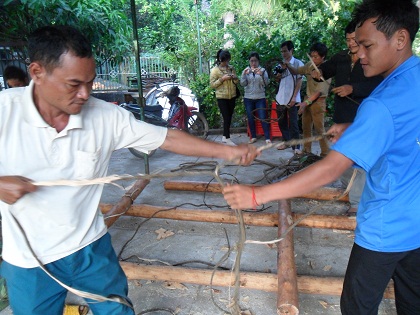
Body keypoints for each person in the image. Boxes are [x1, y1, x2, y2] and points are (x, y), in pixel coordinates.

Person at [0, 25, 258, 315]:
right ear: (36, 72)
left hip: (89, 248)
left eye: (90, 82)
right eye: (74, 84)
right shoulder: (4, 112)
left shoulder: (105, 116)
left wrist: (229, 151)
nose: (86, 94)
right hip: (27, 260)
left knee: (117, 310)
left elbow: (168, 137)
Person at [224, 0, 420, 313]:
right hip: (417, 226)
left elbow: (329, 170)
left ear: (400, 39)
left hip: (387, 229)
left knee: (356, 307)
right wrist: (357, 132)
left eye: (366, 46)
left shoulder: (381, 104)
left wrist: (256, 194)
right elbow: (407, 137)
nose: (359, 55)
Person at [312, 21, 383, 216]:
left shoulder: (372, 57)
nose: (351, 43)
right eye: (348, 39)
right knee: (341, 153)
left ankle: (357, 201)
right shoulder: (341, 57)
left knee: (359, 158)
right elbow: (324, 71)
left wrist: (353, 89)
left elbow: (379, 85)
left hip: (361, 115)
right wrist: (318, 74)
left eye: (355, 39)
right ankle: (347, 190)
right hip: (342, 113)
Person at [285, 43, 331, 157]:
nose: (314, 59)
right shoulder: (310, 65)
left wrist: (305, 103)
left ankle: (325, 153)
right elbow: (297, 71)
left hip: (318, 101)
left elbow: (318, 92)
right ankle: (306, 150)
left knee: (320, 129)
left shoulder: (327, 70)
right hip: (307, 99)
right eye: (312, 56)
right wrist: (288, 65)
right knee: (306, 127)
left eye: (316, 57)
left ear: (323, 57)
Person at [274, 41, 304, 154]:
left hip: (293, 98)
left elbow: (299, 81)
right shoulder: (279, 65)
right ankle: (287, 141)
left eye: (285, 51)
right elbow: (276, 79)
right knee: (281, 122)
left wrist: (294, 97)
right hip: (281, 97)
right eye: (282, 51)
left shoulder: (298, 63)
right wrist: (278, 74)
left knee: (293, 123)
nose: (283, 54)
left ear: (291, 50)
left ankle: (296, 146)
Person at [240, 52, 271, 144]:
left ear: (258, 61)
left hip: (260, 97)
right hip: (248, 97)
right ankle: (253, 136)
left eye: (255, 61)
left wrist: (261, 75)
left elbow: (266, 83)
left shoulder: (263, 70)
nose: (253, 63)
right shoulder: (246, 70)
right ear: (249, 61)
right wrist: (243, 75)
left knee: (262, 117)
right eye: (251, 61)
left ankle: (267, 137)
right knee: (250, 117)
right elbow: (242, 84)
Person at [210, 49, 239, 146]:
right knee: (226, 117)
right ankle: (227, 137)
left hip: (232, 96)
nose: (226, 63)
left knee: (229, 117)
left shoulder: (231, 68)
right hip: (222, 97)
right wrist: (222, 79)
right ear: (220, 59)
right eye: (224, 60)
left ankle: (224, 136)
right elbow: (212, 85)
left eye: (227, 60)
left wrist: (235, 77)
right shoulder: (215, 70)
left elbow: (236, 82)